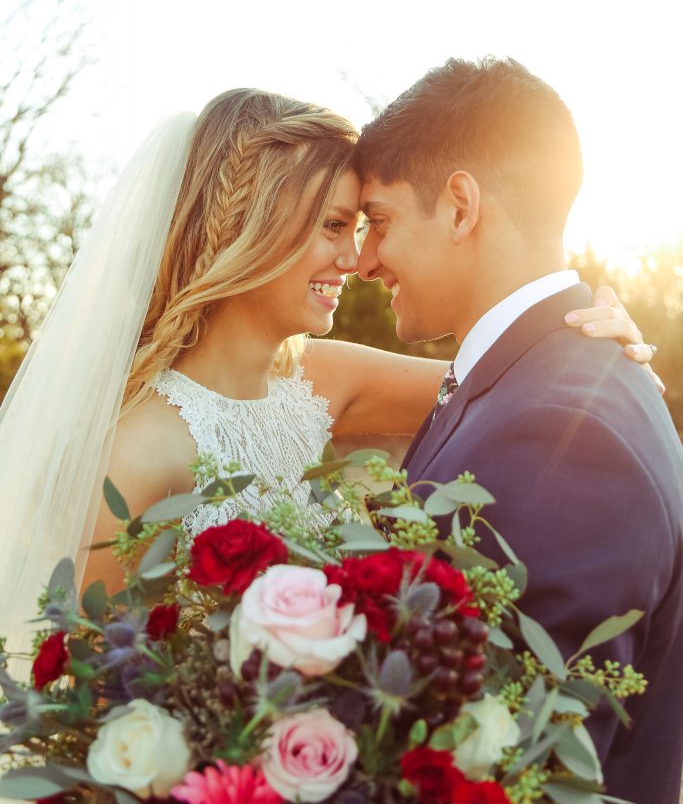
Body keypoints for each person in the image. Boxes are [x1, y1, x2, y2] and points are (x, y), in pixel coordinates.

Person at [0, 88, 652, 659]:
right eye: (335, 226)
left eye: (364, 227)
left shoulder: (321, 379)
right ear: (248, 227)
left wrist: (595, 340)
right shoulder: (139, 452)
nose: (355, 257)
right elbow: (91, 694)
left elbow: (516, 381)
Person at [354, 57, 683, 803]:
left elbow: (520, 773)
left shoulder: (562, 434)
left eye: (379, 220)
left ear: (461, 205)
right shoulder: (526, 382)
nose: (365, 259)